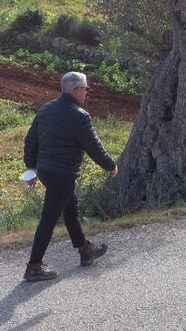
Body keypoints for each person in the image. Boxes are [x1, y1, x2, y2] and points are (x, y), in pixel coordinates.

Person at [21, 70, 117, 283]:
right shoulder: (79, 116)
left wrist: (32, 169)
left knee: (70, 211)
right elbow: (93, 146)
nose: (87, 93)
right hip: (62, 174)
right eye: (86, 89)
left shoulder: (46, 110)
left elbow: (30, 141)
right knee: (48, 220)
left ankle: (85, 250)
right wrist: (110, 165)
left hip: (47, 172)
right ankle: (34, 267)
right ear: (76, 90)